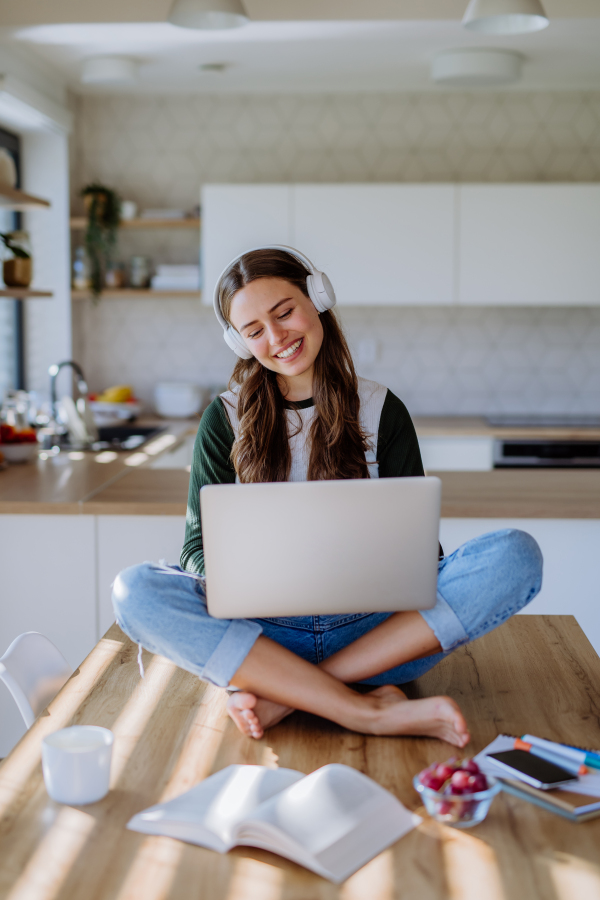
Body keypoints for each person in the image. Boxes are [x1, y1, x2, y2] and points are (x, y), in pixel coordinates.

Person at [112, 246, 542, 748]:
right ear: (240, 343)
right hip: (263, 635)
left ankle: (290, 693)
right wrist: (239, 582)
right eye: (254, 331)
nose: (277, 338)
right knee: (135, 590)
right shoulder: (222, 419)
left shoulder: (383, 409)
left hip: (376, 636)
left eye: (285, 312)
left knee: (515, 555)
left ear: (317, 298)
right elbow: (194, 551)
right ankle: (363, 709)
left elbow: (425, 551)